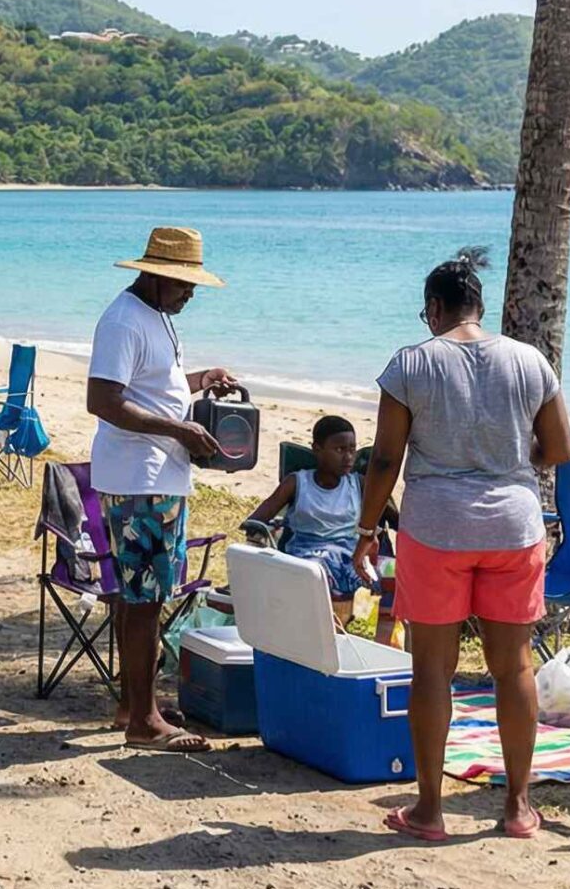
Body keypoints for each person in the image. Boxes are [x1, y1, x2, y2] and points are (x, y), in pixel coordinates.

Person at [355, 255, 570, 841]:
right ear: (479, 306)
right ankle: (519, 806)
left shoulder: (412, 364)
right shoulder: (530, 361)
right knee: (514, 667)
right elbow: (559, 448)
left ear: (434, 309)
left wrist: (367, 529)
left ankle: (429, 810)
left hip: (435, 529)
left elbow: (384, 458)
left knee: (432, 668)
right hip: (513, 528)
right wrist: (505, 466)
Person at [84, 226, 240, 753]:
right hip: (140, 480)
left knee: (139, 598)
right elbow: (103, 400)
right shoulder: (125, 320)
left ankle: (135, 704)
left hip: (155, 475)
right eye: (181, 283)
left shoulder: (155, 319)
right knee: (145, 601)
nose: (189, 293)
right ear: (152, 275)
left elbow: (154, 388)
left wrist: (200, 381)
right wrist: (180, 431)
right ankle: (144, 722)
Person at [243, 415, 396, 645]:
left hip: (351, 554)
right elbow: (256, 520)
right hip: (307, 553)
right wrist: (268, 532)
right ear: (317, 449)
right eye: (339, 449)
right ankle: (324, 639)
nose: (348, 457)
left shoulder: (360, 483)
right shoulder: (297, 483)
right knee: (318, 571)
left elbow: (396, 520)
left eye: (352, 449)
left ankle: (385, 645)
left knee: (396, 573)